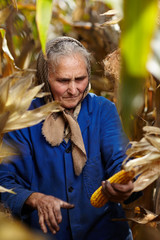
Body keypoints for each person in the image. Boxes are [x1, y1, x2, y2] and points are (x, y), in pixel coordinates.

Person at [0, 36, 137, 240]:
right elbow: (4, 181)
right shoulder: (24, 119)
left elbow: (120, 160)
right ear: (45, 79)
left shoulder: (102, 110)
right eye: (63, 81)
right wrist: (35, 199)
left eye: (80, 79)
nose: (74, 90)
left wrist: (126, 183)